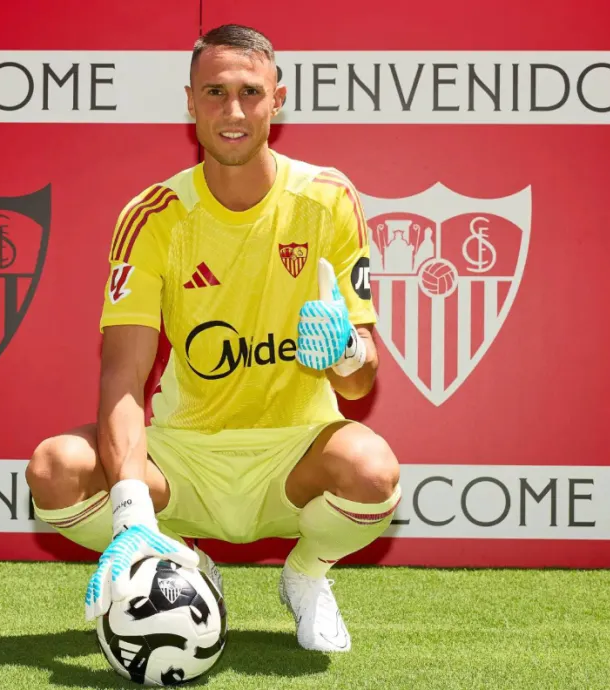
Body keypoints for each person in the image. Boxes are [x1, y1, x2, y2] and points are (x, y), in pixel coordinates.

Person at [25, 23, 401, 653]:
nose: (233, 112)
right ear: (190, 101)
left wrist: (344, 350)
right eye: (215, 93)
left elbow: (361, 382)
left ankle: (306, 576)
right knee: (54, 469)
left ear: (277, 101)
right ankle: (179, 561)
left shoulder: (329, 198)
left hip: (296, 452)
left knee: (373, 472)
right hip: (186, 457)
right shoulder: (152, 215)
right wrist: (131, 513)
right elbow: (122, 374)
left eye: (250, 92)